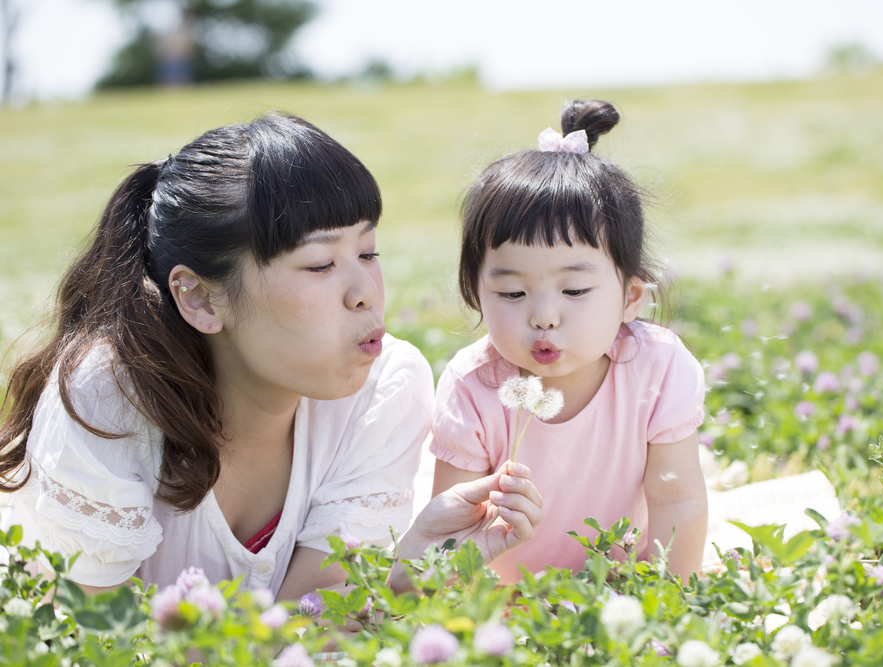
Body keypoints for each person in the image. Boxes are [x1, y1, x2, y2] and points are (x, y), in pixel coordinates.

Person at [0, 113, 542, 599]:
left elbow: (306, 629)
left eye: (368, 251)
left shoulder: (385, 386)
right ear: (200, 297)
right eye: (319, 265)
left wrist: (403, 574)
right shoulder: (111, 394)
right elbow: (98, 645)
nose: (365, 292)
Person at [430, 100, 708, 583]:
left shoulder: (658, 368)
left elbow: (676, 499)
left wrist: (665, 605)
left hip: (623, 582)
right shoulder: (471, 386)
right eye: (512, 292)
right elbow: (449, 531)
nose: (543, 316)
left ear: (631, 297)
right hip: (503, 594)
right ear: (476, 291)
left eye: (575, 290)